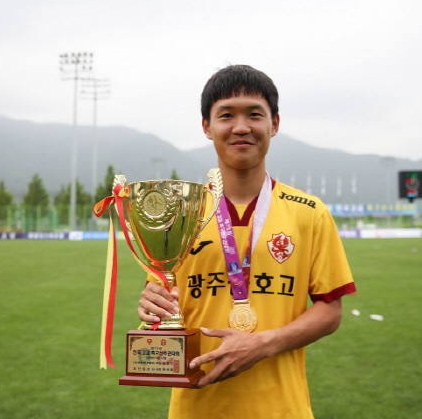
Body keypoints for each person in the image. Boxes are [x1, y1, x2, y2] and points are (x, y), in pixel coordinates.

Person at [138, 64, 356, 418]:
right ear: (207, 127)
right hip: (196, 409)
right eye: (226, 115)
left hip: (283, 409)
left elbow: (330, 310)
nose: (241, 127)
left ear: (275, 124)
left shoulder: (310, 212)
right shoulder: (178, 215)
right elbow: (161, 304)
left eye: (254, 114)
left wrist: (260, 345)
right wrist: (153, 307)